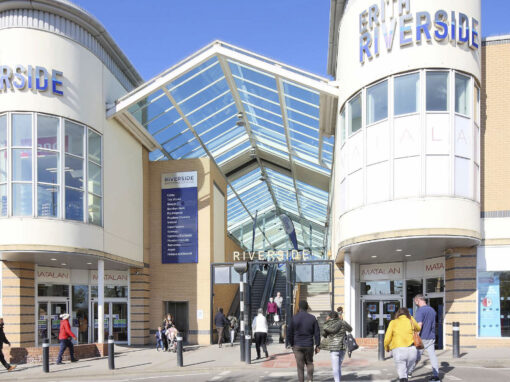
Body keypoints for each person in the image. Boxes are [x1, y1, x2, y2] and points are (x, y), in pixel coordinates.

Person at [287, 300, 321, 382]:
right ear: (307, 307)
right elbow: (317, 333)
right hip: (309, 345)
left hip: (297, 345)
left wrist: (291, 344)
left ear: (299, 307)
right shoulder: (312, 318)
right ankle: (310, 379)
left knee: (300, 366)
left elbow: (289, 333)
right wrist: (317, 345)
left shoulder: (294, 318)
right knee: (309, 363)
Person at [384, 307, 420, 382]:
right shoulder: (410, 320)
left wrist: (386, 347)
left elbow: (387, 338)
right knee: (406, 371)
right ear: (407, 314)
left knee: (402, 374)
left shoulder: (393, 322)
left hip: (398, 350)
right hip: (412, 350)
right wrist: (411, 318)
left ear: (398, 314)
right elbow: (418, 328)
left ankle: (403, 379)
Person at [409, 294, 440, 381]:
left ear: (418, 300)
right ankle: (436, 375)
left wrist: (416, 337)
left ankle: (409, 372)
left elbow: (419, 324)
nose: (415, 303)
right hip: (431, 337)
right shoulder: (432, 310)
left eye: (415, 301)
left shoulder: (420, 311)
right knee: (432, 356)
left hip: (422, 337)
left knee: (416, 357)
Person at [321, 310, 352, 382]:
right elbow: (350, 329)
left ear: (329, 317)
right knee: (338, 366)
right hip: (342, 347)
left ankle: (337, 380)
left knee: (335, 368)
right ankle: (338, 380)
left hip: (334, 348)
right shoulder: (342, 322)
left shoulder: (328, 324)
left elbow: (324, 334)